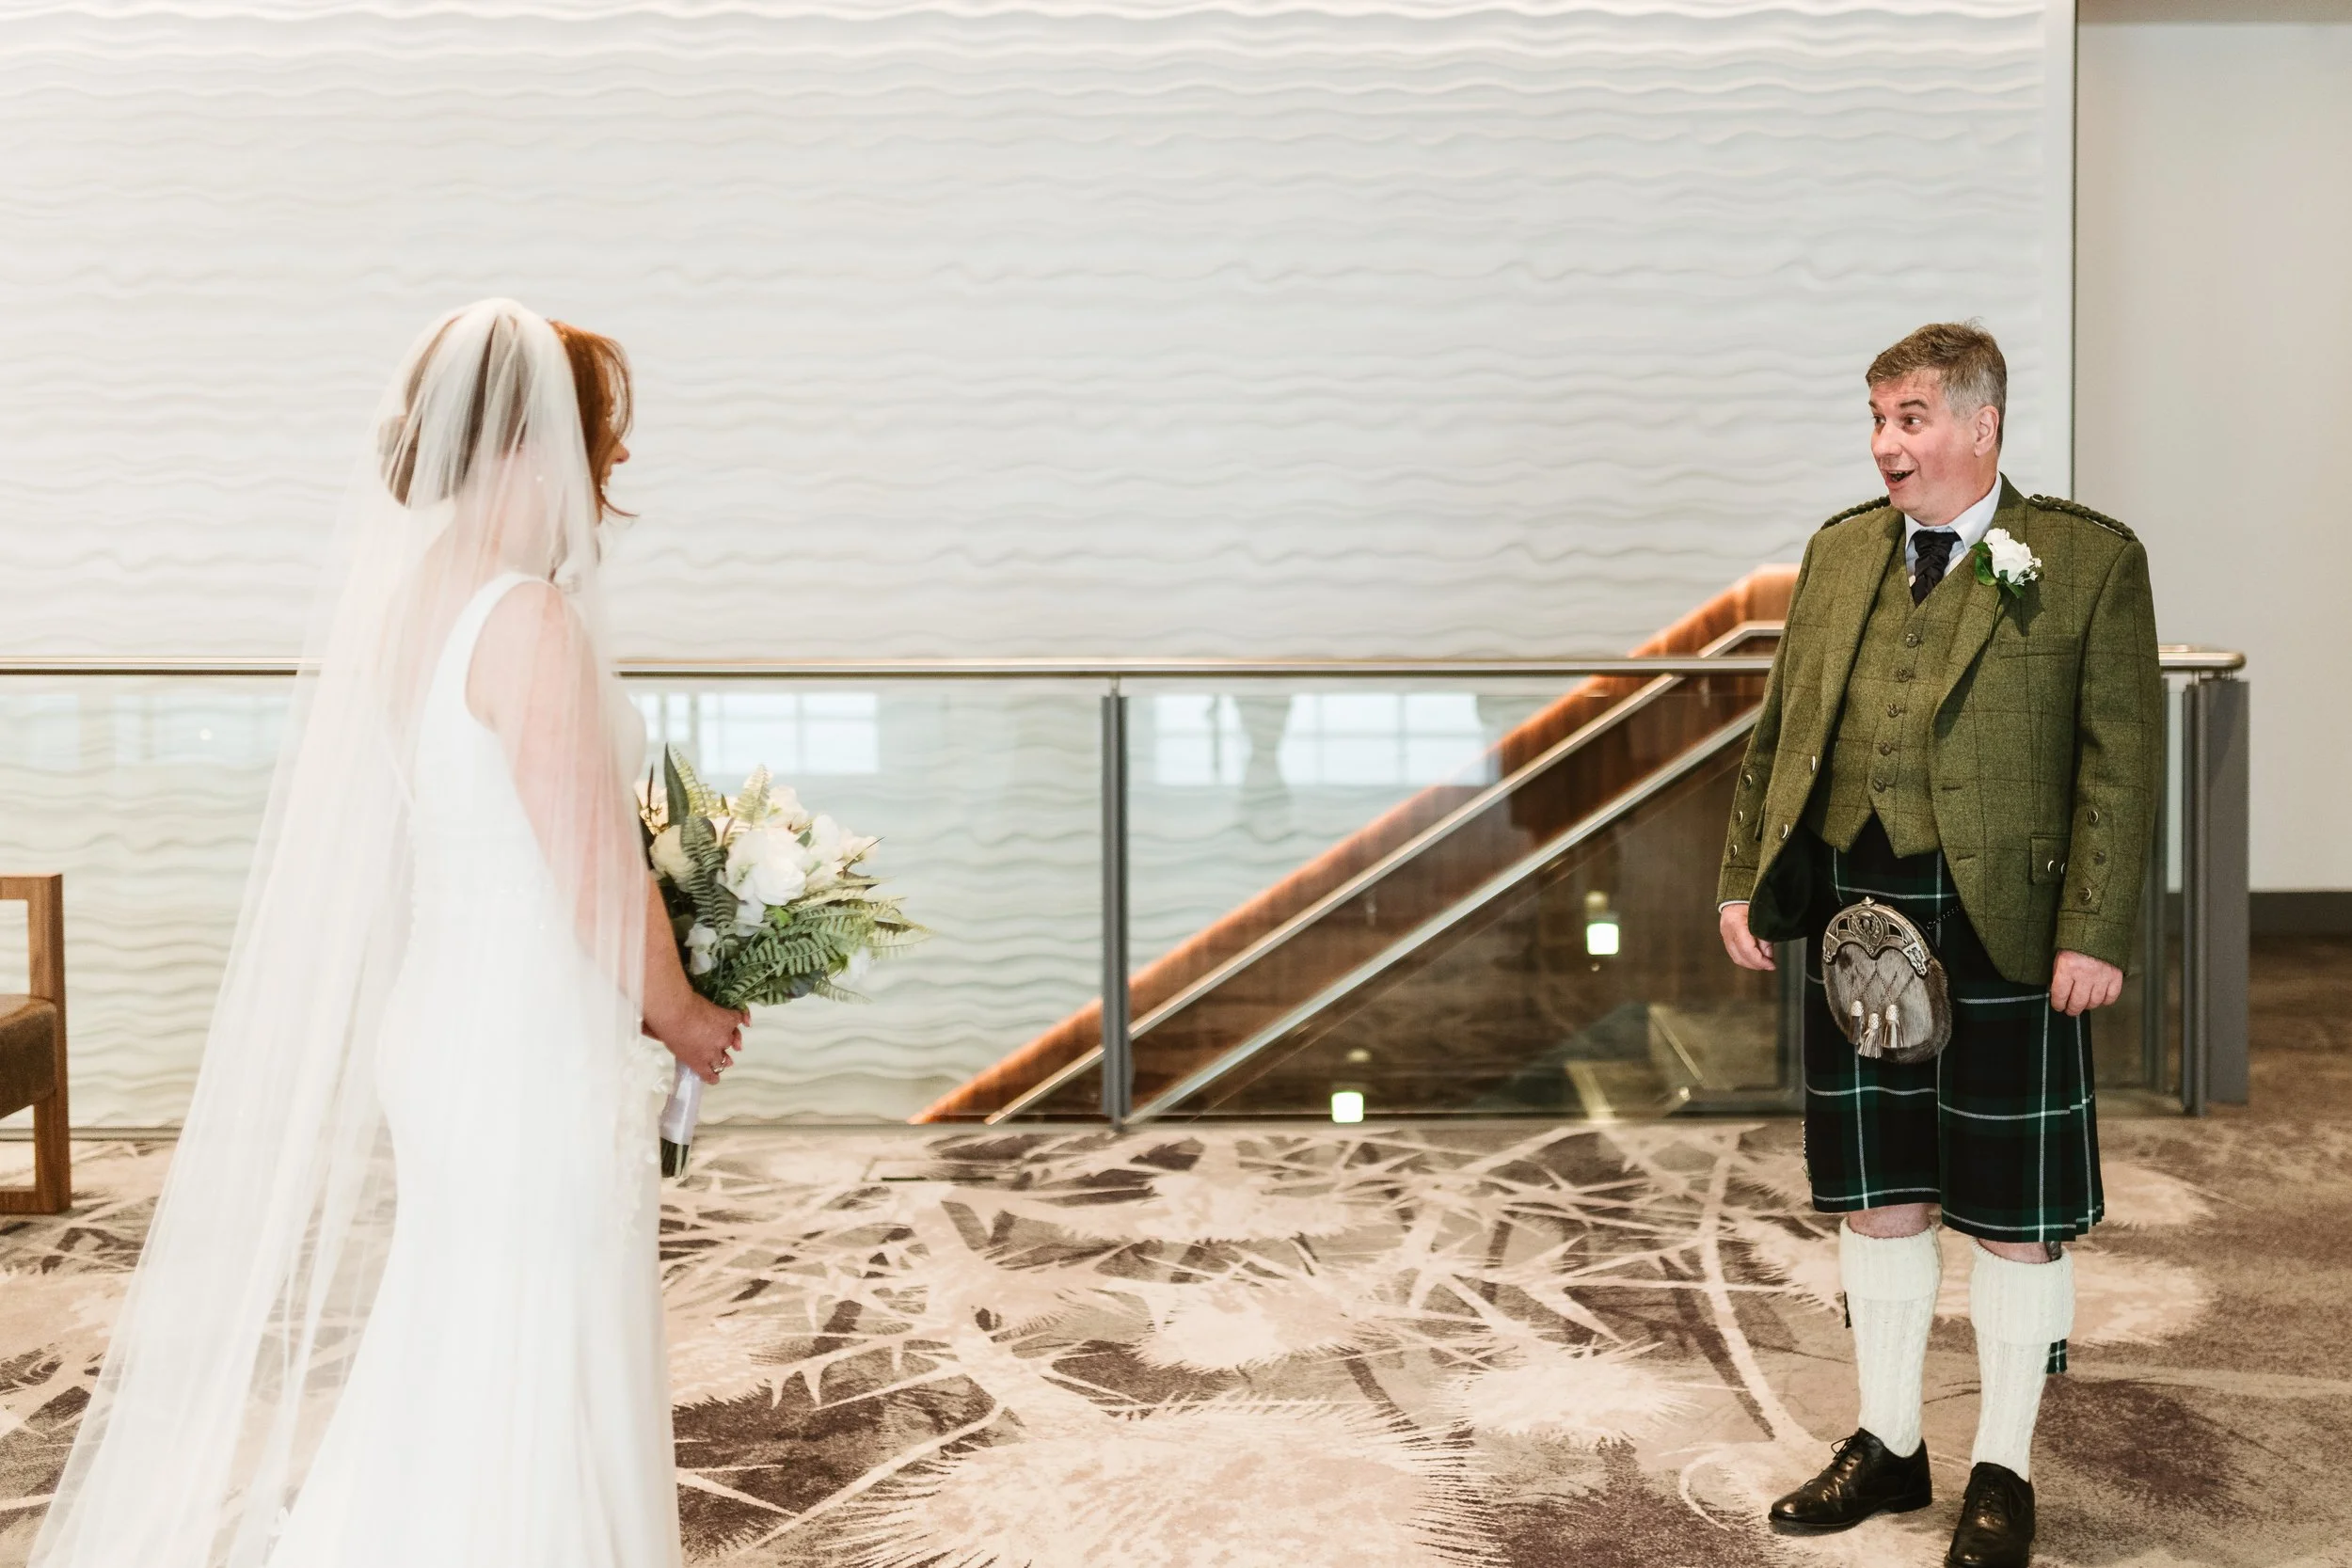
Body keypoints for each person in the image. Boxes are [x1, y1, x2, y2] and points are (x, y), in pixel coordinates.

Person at [32, 300, 745, 1567]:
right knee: (539, 1340)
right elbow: (590, 866)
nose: (612, 470)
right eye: (600, 442)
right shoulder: (524, 618)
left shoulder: (419, 595)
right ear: (535, 445)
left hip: (449, 1021)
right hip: (525, 1044)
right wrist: (686, 1012)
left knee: (467, 1327)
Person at [1715, 322, 2161, 1568]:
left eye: (1911, 418)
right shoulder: (1842, 551)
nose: (1886, 446)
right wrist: (1742, 876)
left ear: (1982, 424)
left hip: (2009, 923)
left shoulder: (2072, 559)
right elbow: (1779, 733)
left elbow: (2120, 765)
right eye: (1876, 418)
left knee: (2015, 1213)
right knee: (1880, 1190)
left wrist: (2098, 927)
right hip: (1860, 904)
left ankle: (2004, 1468)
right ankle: (1890, 1439)